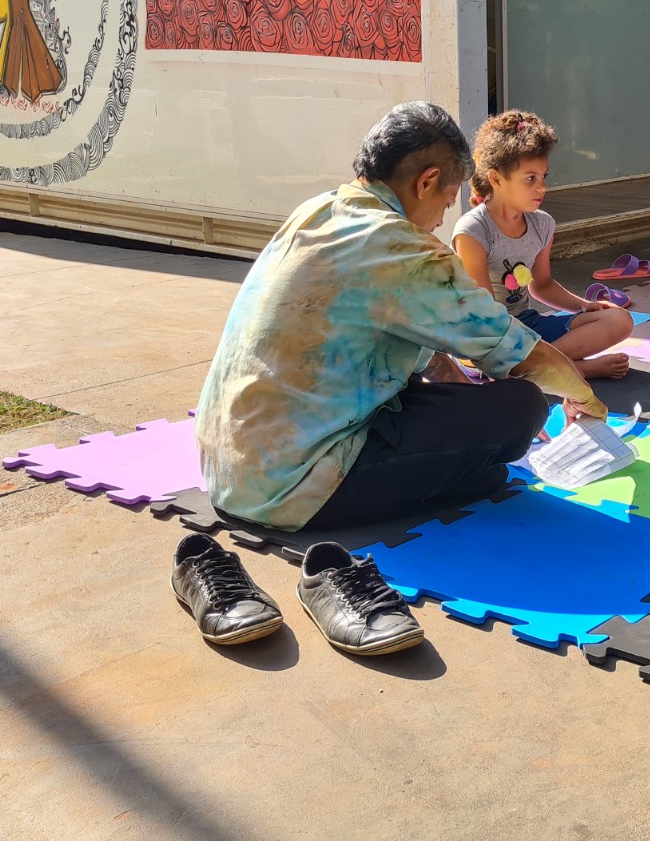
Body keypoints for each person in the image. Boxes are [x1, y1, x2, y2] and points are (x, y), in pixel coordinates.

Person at [196, 101, 607, 535]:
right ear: (427, 182)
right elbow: (515, 350)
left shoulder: (319, 209)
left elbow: (425, 354)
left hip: (228, 466)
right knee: (522, 404)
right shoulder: (401, 247)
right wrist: (584, 396)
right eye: (447, 202)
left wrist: (464, 401)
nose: (441, 219)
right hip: (296, 488)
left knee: (467, 416)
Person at [454, 110, 635, 380]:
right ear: (496, 179)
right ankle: (568, 369)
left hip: (526, 325)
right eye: (530, 179)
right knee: (491, 348)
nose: (541, 188)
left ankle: (539, 370)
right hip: (485, 335)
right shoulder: (473, 231)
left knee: (620, 320)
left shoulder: (542, 224)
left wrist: (585, 306)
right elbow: (484, 312)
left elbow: (542, 285)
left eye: (543, 177)